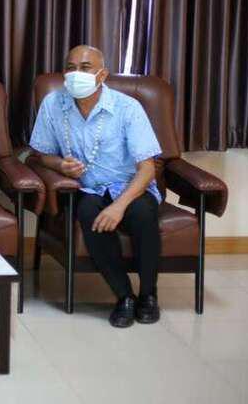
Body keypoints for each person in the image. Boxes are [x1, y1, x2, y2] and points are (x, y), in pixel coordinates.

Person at [29, 45, 163, 328]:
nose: (76, 73)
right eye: (70, 67)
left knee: (143, 214)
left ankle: (148, 295)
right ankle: (124, 296)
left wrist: (118, 206)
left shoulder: (127, 108)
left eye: (85, 67)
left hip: (130, 187)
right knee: (89, 213)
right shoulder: (53, 104)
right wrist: (60, 166)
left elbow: (148, 169)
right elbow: (40, 155)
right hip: (87, 189)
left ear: (102, 75)